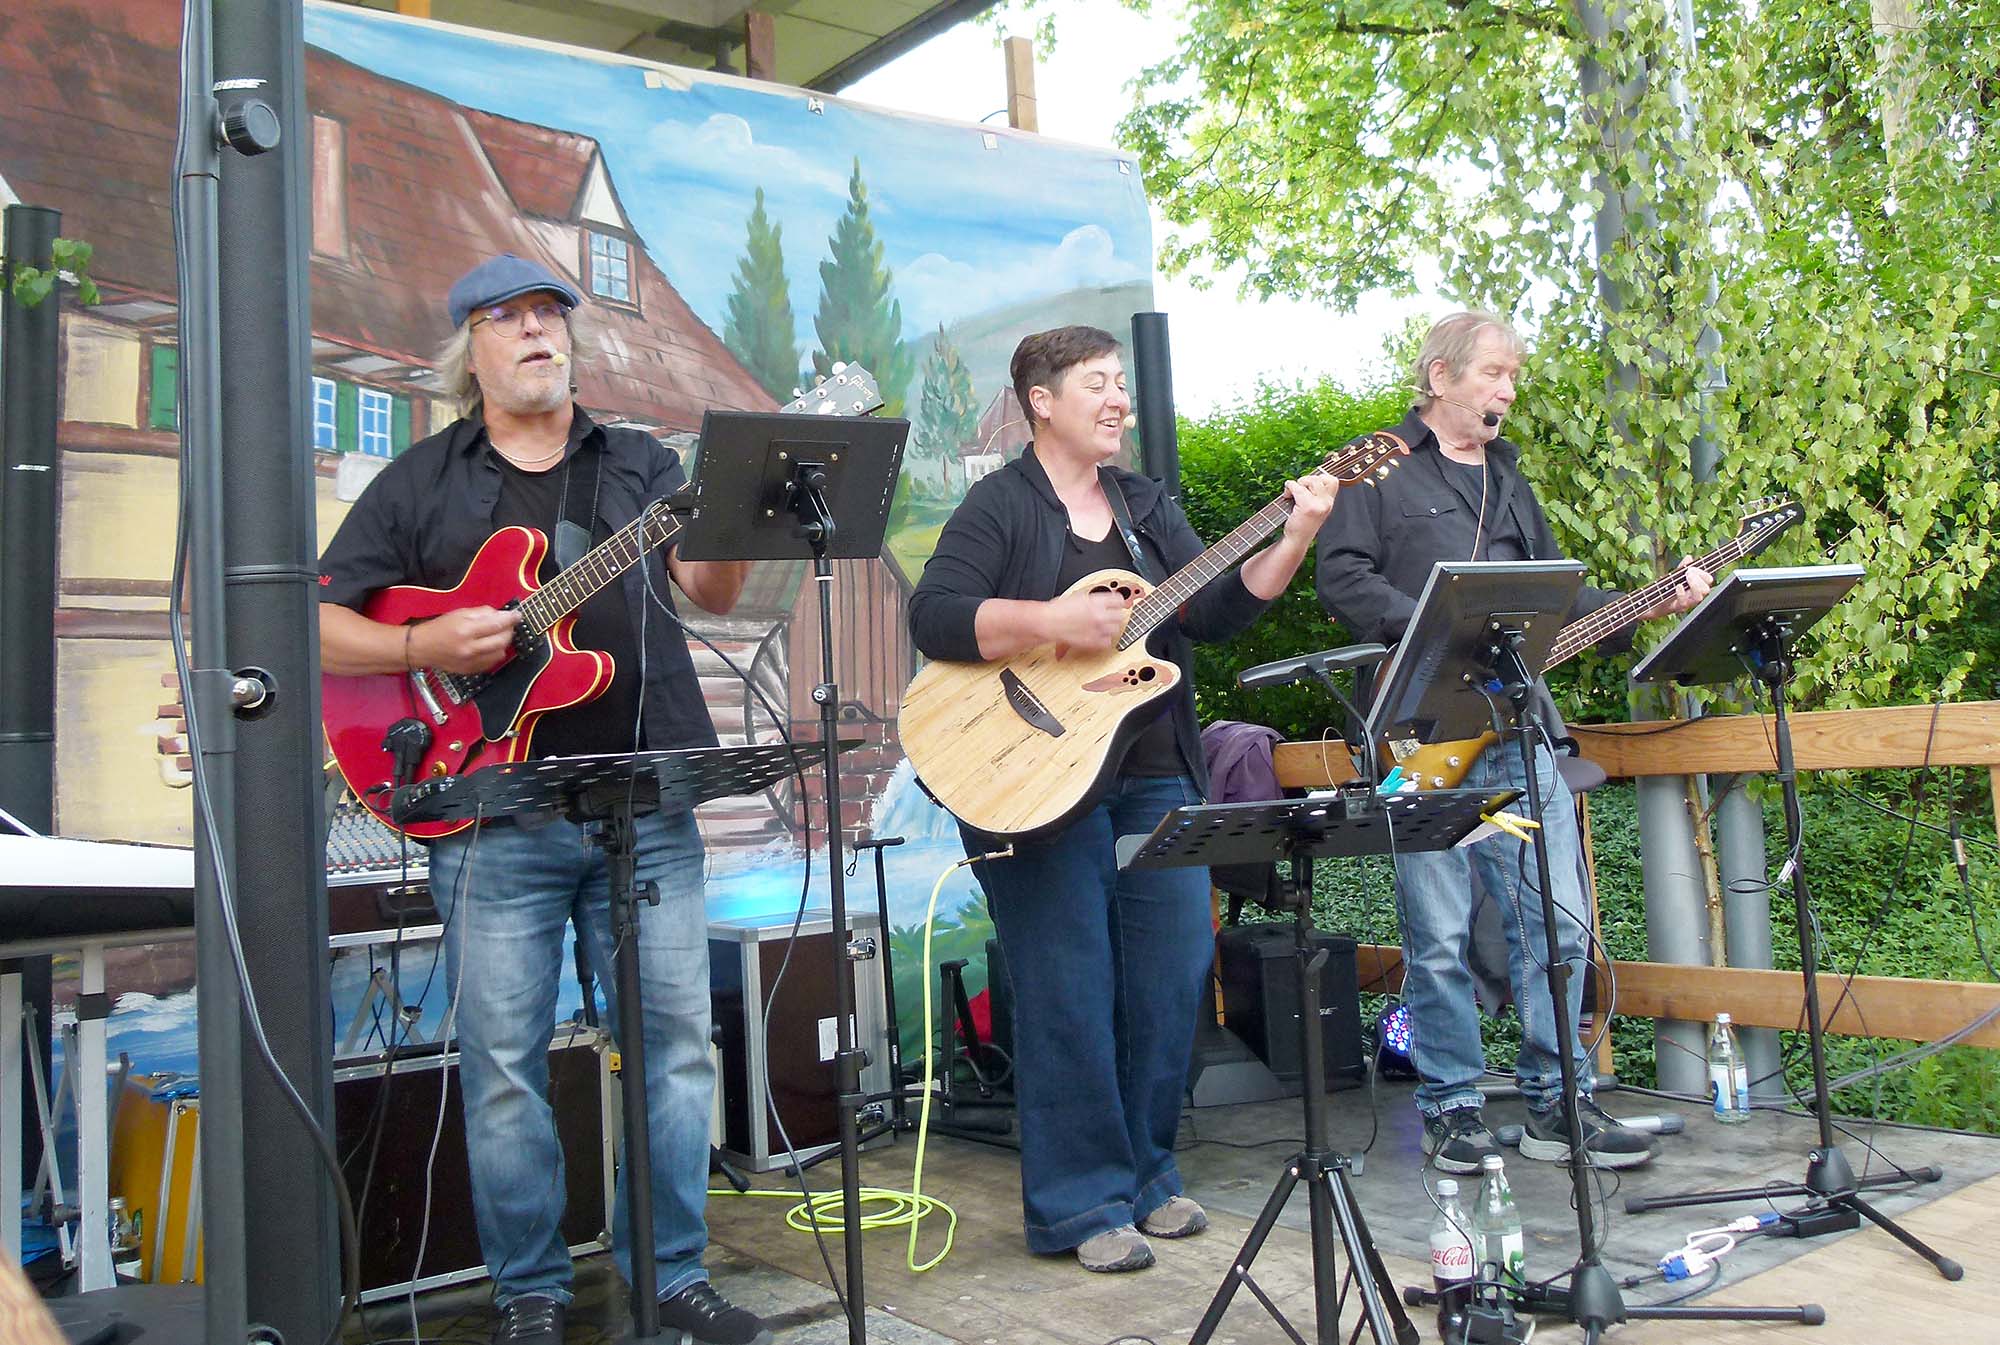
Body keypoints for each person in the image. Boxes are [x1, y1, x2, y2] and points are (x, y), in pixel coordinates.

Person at [318, 254, 768, 1345]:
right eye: (507, 318)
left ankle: (668, 1272)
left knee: (672, 1050)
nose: (534, 334)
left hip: (645, 804)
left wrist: (731, 514)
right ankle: (530, 1291)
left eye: (548, 317)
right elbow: (318, 622)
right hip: (488, 816)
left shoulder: (642, 464)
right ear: (468, 349)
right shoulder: (420, 480)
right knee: (506, 1065)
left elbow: (709, 590)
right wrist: (423, 640)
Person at [907, 325, 1343, 1272]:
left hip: (1151, 773)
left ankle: (1149, 1176)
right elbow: (933, 614)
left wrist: (1299, 526)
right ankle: (1079, 1203)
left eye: (1121, 385)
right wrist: (1052, 620)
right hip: (1030, 779)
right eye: (1098, 384)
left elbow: (1219, 612)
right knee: (1067, 987)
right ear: (1042, 399)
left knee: (1171, 973)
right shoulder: (999, 507)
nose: (1118, 401)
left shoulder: (1145, 506)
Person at [1315, 311, 1710, 1175]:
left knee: (1558, 925)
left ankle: (1555, 1100)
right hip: (1423, 734)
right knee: (1440, 933)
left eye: (1513, 376)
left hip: (1520, 726)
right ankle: (1452, 1105)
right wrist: (1429, 628)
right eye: (1493, 372)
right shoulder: (1377, 466)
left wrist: (1652, 600)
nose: (1506, 390)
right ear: (1440, 375)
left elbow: (1558, 597)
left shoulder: (1509, 480)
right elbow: (1340, 575)